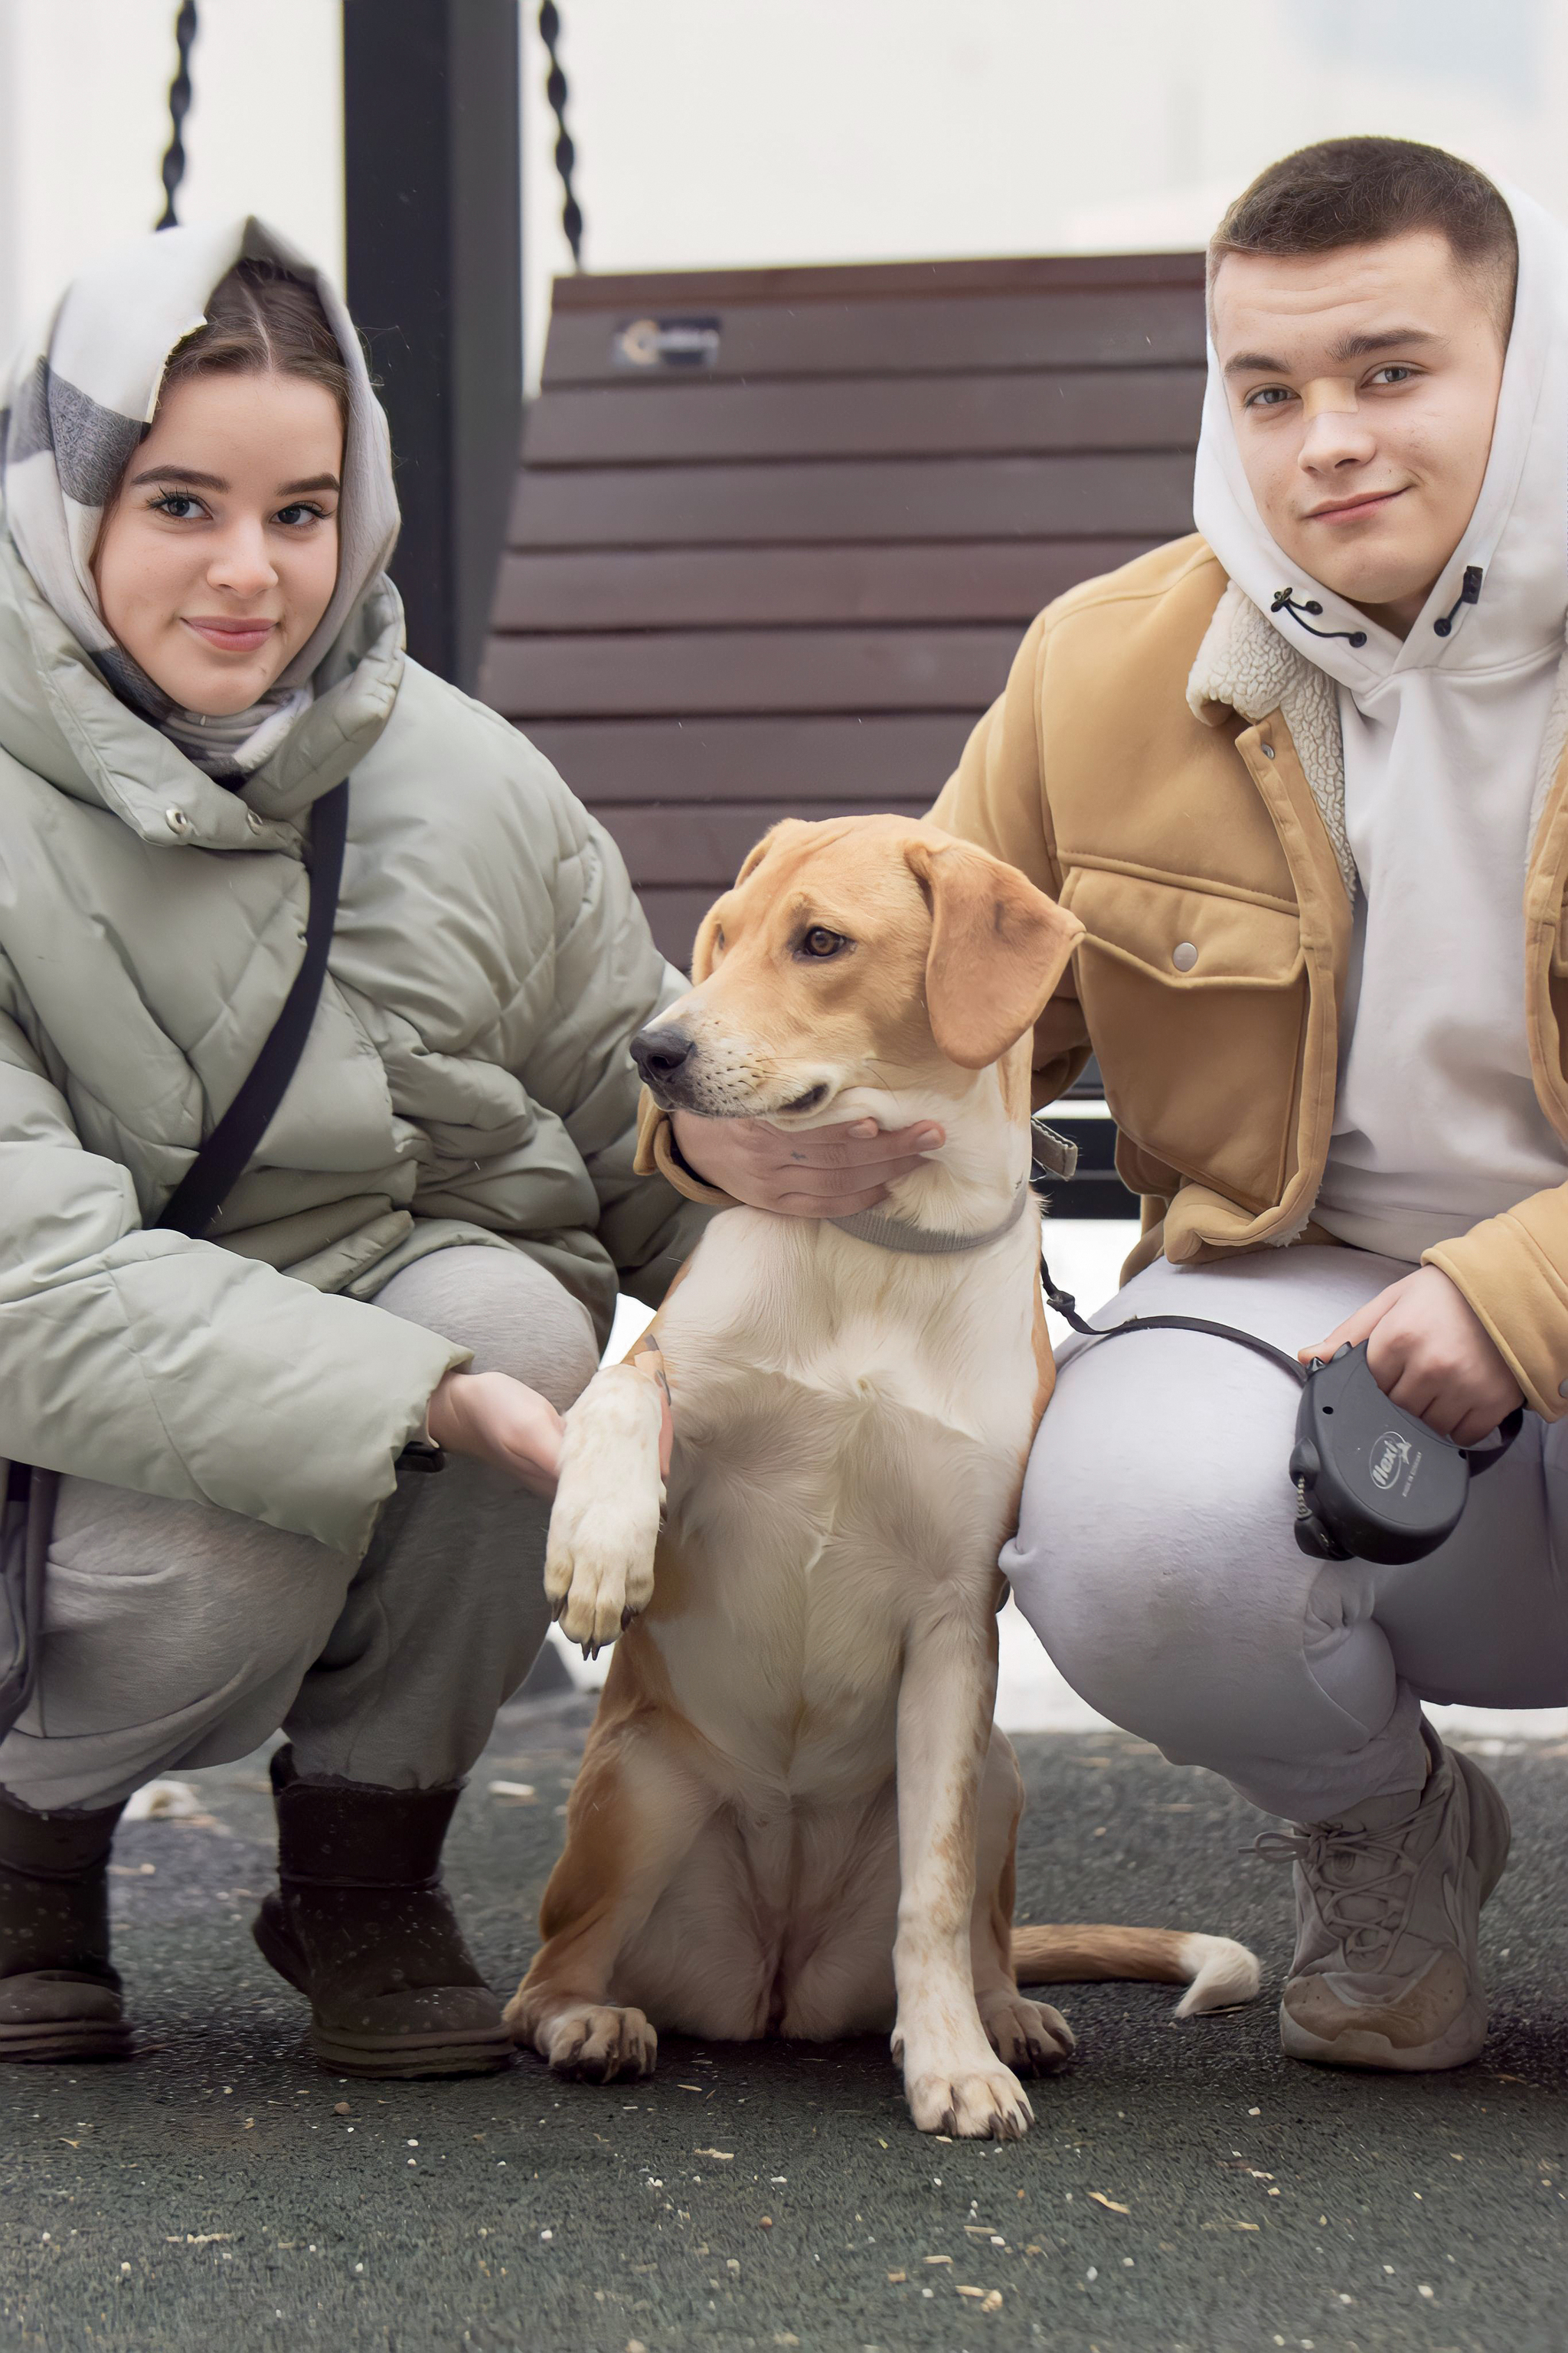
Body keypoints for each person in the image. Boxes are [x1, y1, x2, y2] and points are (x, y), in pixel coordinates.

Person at [655, 138, 1568, 2075]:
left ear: (1529, 359)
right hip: (1297, 1289)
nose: (1321, 439)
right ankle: (1384, 1832)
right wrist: (719, 1135)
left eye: (1389, 373)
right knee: (1128, 1529)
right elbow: (907, 987)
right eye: (1267, 388)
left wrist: (1521, 1293)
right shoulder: (1105, 667)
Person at [0, 218, 704, 2077]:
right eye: (179, 504)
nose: (251, 574)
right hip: (48, 1454)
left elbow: (645, 1133)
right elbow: (31, 1293)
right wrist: (435, 1395)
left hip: (338, 1354)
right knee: (298, 1484)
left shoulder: (471, 784)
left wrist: (884, 1323)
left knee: (529, 1319)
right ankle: (22, 1853)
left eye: (300, 511)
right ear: (64, 498)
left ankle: (363, 1872)